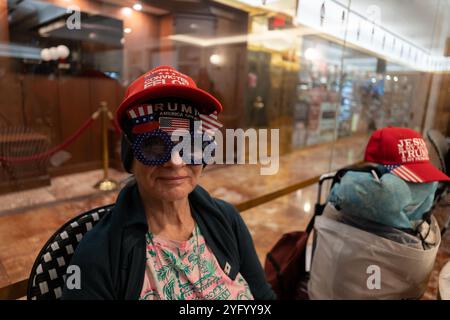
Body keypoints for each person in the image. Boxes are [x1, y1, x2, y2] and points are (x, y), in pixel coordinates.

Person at [61, 66, 276, 300]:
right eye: (153, 146)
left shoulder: (226, 219)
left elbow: (263, 297)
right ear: (130, 158)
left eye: (189, 145)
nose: (175, 162)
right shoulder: (100, 253)